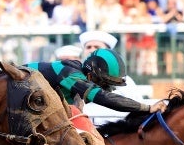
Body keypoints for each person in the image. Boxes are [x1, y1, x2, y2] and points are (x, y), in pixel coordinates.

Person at [25, 47, 167, 115]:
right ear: (91, 76)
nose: (107, 89)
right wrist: (147, 108)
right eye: (105, 84)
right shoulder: (71, 74)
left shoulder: (76, 76)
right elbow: (104, 98)